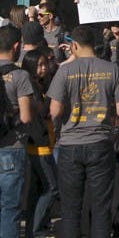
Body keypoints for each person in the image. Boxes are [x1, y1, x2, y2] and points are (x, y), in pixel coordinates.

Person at [47, 25, 119, 237]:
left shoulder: (65, 70)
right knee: (101, 207)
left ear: (74, 45)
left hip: (70, 143)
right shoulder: (113, 69)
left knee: (70, 209)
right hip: (101, 142)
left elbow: (54, 111)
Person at [0, 25, 33, 238]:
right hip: (12, 147)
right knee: (10, 209)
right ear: (16, 46)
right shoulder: (20, 75)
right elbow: (26, 116)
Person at [21, 50, 58, 238]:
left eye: (45, 64)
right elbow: (42, 113)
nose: (44, 68)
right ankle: (36, 229)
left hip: (40, 144)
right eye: (39, 65)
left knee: (36, 190)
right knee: (52, 187)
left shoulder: (37, 85)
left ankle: (32, 230)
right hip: (40, 145)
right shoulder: (31, 87)